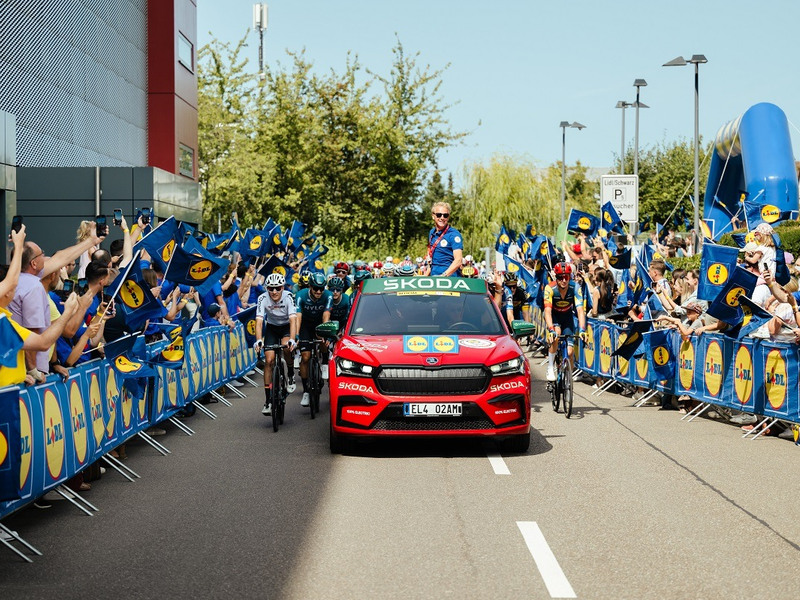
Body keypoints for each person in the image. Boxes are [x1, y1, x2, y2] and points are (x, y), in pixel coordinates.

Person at [254, 273, 298, 416]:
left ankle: (290, 373)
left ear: (282, 287)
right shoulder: (262, 298)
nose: (274, 292)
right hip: (272, 328)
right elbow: (259, 321)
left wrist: (292, 338)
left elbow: (293, 320)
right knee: (268, 360)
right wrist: (259, 339)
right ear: (266, 288)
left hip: (286, 327)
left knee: (286, 347)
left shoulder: (289, 297)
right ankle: (268, 401)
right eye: (270, 289)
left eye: (277, 288)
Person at [543, 262, 587, 382]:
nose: (564, 280)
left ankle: (567, 380)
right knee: (556, 334)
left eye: (566, 277)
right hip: (554, 316)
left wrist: (583, 330)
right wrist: (551, 329)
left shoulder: (575, 287)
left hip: (567, 316)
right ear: (556, 278)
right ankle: (551, 366)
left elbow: (580, 310)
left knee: (570, 352)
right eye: (560, 277)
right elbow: (547, 311)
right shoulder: (549, 288)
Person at [294, 272, 332, 407]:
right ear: (310, 286)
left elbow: (326, 314)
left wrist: (324, 331)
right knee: (305, 357)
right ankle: (305, 391)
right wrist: (296, 335)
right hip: (305, 324)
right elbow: (298, 316)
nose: (318, 291)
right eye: (315, 288)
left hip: (319, 323)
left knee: (322, 339)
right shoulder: (301, 295)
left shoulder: (328, 295)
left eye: (321, 288)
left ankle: (325, 362)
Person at [424, 202, 463, 277]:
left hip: (450, 279)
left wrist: (443, 276)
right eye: (439, 215)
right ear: (433, 216)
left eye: (445, 215)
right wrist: (425, 276)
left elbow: (458, 260)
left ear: (448, 217)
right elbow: (431, 259)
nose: (442, 218)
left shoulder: (454, 234)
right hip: (434, 277)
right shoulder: (432, 232)